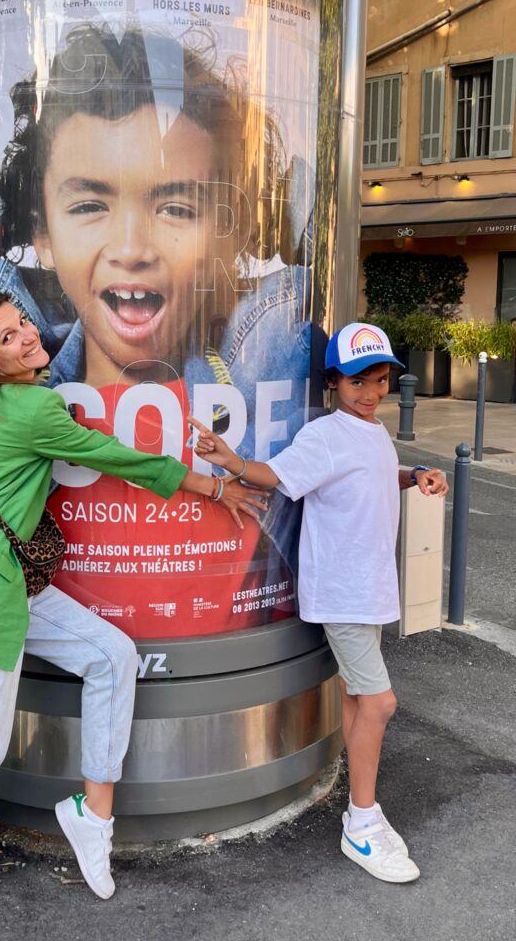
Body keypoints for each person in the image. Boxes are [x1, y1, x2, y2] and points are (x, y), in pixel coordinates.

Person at [0, 289, 261, 928]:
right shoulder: (34, 408)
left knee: (111, 655)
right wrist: (215, 485)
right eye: (8, 338)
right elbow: (125, 461)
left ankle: (92, 815)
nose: (28, 336)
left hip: (7, 585)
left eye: (21, 323)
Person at [0, 23, 317, 634]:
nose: (131, 248)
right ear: (41, 233)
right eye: (89, 205)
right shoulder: (16, 385)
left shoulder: (263, 359)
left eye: (175, 207)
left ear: (227, 232)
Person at [189, 321, 449, 884]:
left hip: (368, 590)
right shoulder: (327, 433)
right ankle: (361, 822)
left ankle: (360, 801)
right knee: (379, 704)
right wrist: (231, 462)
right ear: (332, 382)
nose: (372, 391)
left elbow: (377, 474)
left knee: (360, 700)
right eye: (359, 381)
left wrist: (418, 474)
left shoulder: (369, 431)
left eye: (381, 379)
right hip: (344, 594)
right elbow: (278, 476)